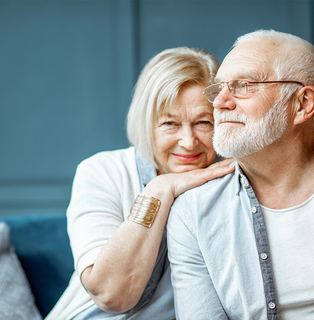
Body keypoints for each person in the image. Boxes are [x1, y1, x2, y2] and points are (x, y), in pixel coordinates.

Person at [46, 47, 235, 320]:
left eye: (203, 122)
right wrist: (160, 190)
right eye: (170, 123)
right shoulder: (102, 172)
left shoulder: (235, 179)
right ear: (147, 122)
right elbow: (111, 294)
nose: (188, 141)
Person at [167, 30, 314, 320]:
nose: (220, 102)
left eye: (243, 85)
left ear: (302, 104)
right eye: (218, 88)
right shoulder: (194, 212)